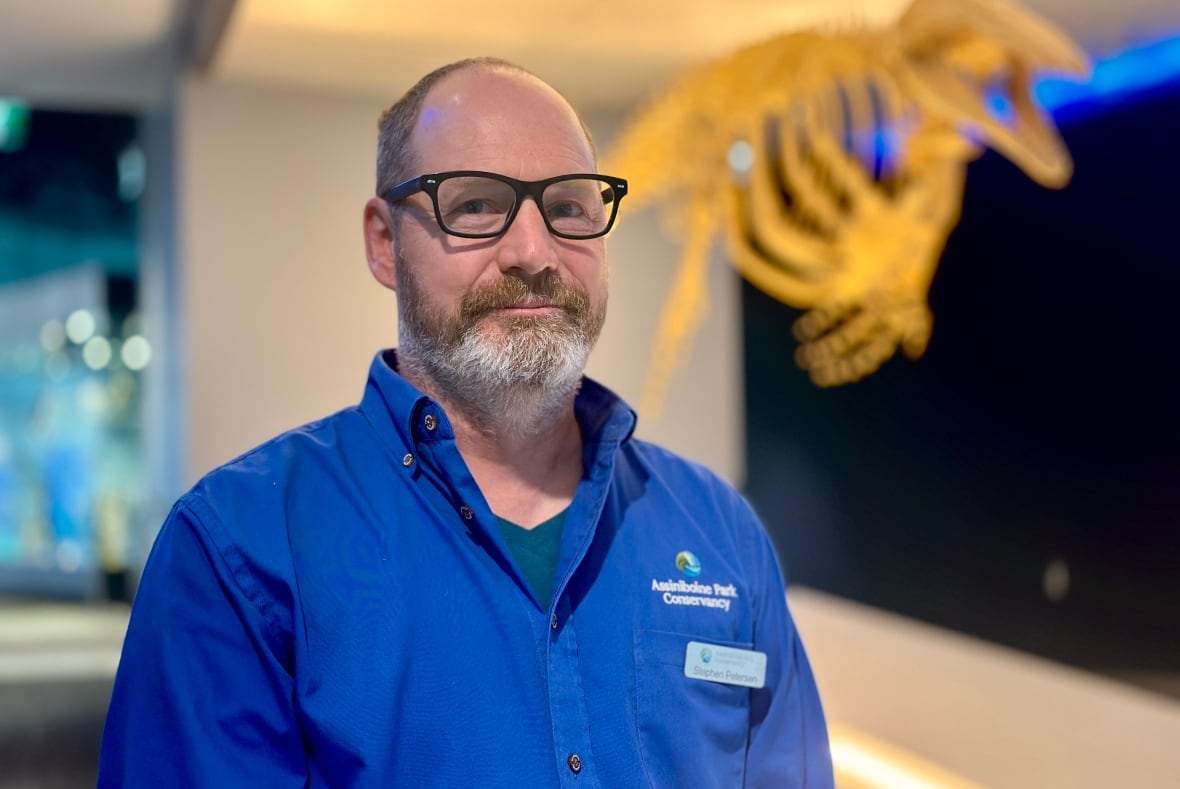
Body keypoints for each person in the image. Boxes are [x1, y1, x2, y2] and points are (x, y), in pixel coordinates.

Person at [98, 57, 833, 788]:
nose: (534, 252)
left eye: (571, 207)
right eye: (477, 205)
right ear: (385, 242)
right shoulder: (240, 546)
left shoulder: (718, 533)